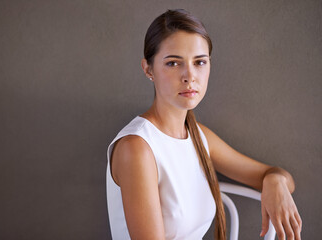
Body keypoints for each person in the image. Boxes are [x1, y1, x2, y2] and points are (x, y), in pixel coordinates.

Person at [106, 9, 302, 240]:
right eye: (173, 63)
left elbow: (282, 178)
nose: (190, 76)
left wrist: (275, 181)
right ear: (149, 69)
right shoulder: (137, 148)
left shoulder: (199, 136)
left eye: (199, 62)